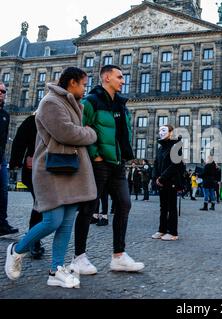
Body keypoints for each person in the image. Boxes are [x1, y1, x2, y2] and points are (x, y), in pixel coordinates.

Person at [4, 67, 97, 288]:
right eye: (84, 84)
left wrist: (81, 131)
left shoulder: (72, 104)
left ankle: (56, 270)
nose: (86, 88)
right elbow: (67, 133)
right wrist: (90, 133)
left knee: (65, 223)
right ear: (72, 83)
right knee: (52, 220)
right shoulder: (50, 103)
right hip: (51, 170)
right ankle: (17, 249)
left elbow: (73, 132)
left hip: (70, 169)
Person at [71, 65, 144, 275]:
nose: (123, 80)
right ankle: (79, 257)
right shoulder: (91, 101)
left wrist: (124, 155)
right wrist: (95, 154)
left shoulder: (122, 105)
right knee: (88, 208)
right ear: (106, 77)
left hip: (117, 163)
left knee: (124, 203)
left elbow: (123, 133)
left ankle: (119, 256)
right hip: (99, 163)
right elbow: (81, 127)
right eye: (119, 77)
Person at [9, 113, 45, 258]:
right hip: (33, 170)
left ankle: (33, 238)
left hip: (52, 169)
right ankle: (32, 240)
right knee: (40, 203)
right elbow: (19, 141)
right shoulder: (33, 120)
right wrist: (17, 162)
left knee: (43, 206)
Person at [152, 125, 184, 241]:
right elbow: (156, 163)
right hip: (161, 182)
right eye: (159, 130)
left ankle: (173, 232)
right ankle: (162, 230)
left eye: (164, 130)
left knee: (171, 207)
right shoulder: (160, 148)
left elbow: (175, 165)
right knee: (163, 207)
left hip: (171, 181)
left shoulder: (176, 145)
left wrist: (162, 178)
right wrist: (155, 178)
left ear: (171, 133)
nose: (161, 132)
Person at [0, 82, 19, 237]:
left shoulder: (6, 115)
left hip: (1, 159)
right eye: (0, 91)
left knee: (3, 191)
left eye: (4, 91)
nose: (2, 94)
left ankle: (2, 223)